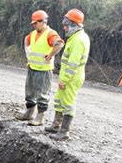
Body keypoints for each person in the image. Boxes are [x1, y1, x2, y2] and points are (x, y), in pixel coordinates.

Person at [46, 9, 90, 140]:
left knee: (68, 102)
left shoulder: (79, 40)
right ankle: (56, 126)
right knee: (59, 100)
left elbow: (73, 64)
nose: (64, 28)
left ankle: (64, 131)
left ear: (75, 24)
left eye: (66, 25)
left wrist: (64, 80)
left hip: (71, 78)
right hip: (67, 77)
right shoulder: (75, 37)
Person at [15, 10, 64, 126]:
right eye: (33, 24)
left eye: (35, 23)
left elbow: (59, 43)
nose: (33, 25)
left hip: (44, 70)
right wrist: (27, 52)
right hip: (32, 68)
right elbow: (26, 40)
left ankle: (40, 117)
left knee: (42, 94)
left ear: (43, 21)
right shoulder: (33, 34)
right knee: (30, 92)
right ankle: (29, 113)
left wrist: (51, 55)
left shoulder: (50, 33)